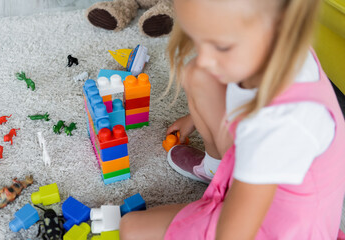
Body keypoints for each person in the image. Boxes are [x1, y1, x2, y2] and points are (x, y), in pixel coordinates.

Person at [120, 0, 345, 239]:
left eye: (222, 46)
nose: (205, 58)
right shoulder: (276, 46)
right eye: (196, 38)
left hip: (275, 226)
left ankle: (228, 186)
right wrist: (195, 117)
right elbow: (236, 91)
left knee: (131, 228)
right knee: (198, 74)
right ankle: (217, 171)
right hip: (259, 177)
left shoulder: (280, 125)